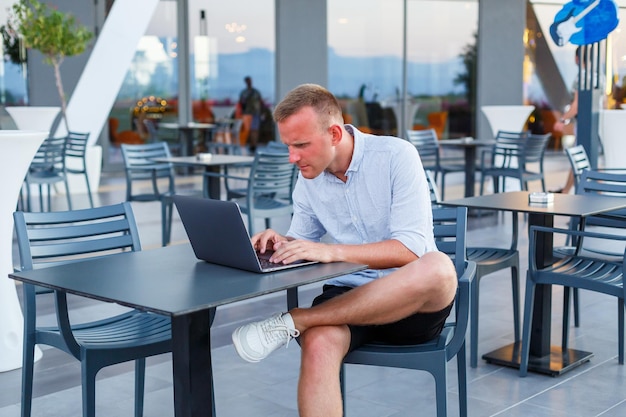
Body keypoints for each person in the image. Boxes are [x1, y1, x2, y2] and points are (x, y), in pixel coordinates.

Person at [231, 84, 458, 416]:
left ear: (334, 133)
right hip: (348, 299)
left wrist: (334, 251)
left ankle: (296, 320)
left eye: (301, 145)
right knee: (318, 343)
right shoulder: (308, 177)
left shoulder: (396, 156)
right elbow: (304, 242)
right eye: (288, 146)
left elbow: (410, 250)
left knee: (437, 267)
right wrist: (280, 242)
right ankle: (302, 324)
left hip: (411, 304)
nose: (292, 157)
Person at [551, 47, 581, 194]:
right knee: (581, 160)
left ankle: (566, 191)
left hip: (583, 124)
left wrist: (562, 120)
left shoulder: (582, 77)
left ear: (577, 59)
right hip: (595, 125)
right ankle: (566, 190)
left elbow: (576, 105)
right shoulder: (598, 76)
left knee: (577, 159)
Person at [238, 76, 263, 151]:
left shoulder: (256, 92)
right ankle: (248, 145)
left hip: (255, 113)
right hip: (247, 113)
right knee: (247, 130)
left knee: (254, 130)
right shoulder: (244, 93)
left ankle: (254, 144)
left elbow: (260, 102)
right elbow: (240, 103)